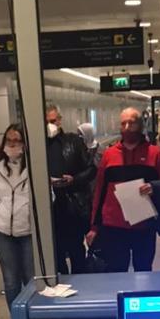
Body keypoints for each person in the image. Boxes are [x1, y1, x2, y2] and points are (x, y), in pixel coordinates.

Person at [86, 107, 160, 272]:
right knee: (116, 271)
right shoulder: (109, 155)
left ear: (140, 125)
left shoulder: (155, 154)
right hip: (114, 226)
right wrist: (94, 227)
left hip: (144, 226)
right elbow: (99, 193)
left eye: (131, 123)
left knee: (144, 270)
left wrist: (154, 188)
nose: (127, 127)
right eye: (123, 123)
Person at [0, 124, 33, 315]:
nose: (12, 145)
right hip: (2, 231)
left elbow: (47, 196)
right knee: (11, 281)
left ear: (24, 143)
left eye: (17, 141)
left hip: (28, 231)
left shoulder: (34, 166)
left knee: (31, 279)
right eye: (9, 140)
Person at [46, 104, 95, 275]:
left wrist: (74, 180)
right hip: (50, 208)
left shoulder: (74, 142)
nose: (50, 125)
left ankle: (80, 281)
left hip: (73, 205)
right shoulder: (38, 146)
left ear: (60, 120)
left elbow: (91, 169)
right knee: (56, 251)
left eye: (53, 121)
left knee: (76, 249)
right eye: (46, 122)